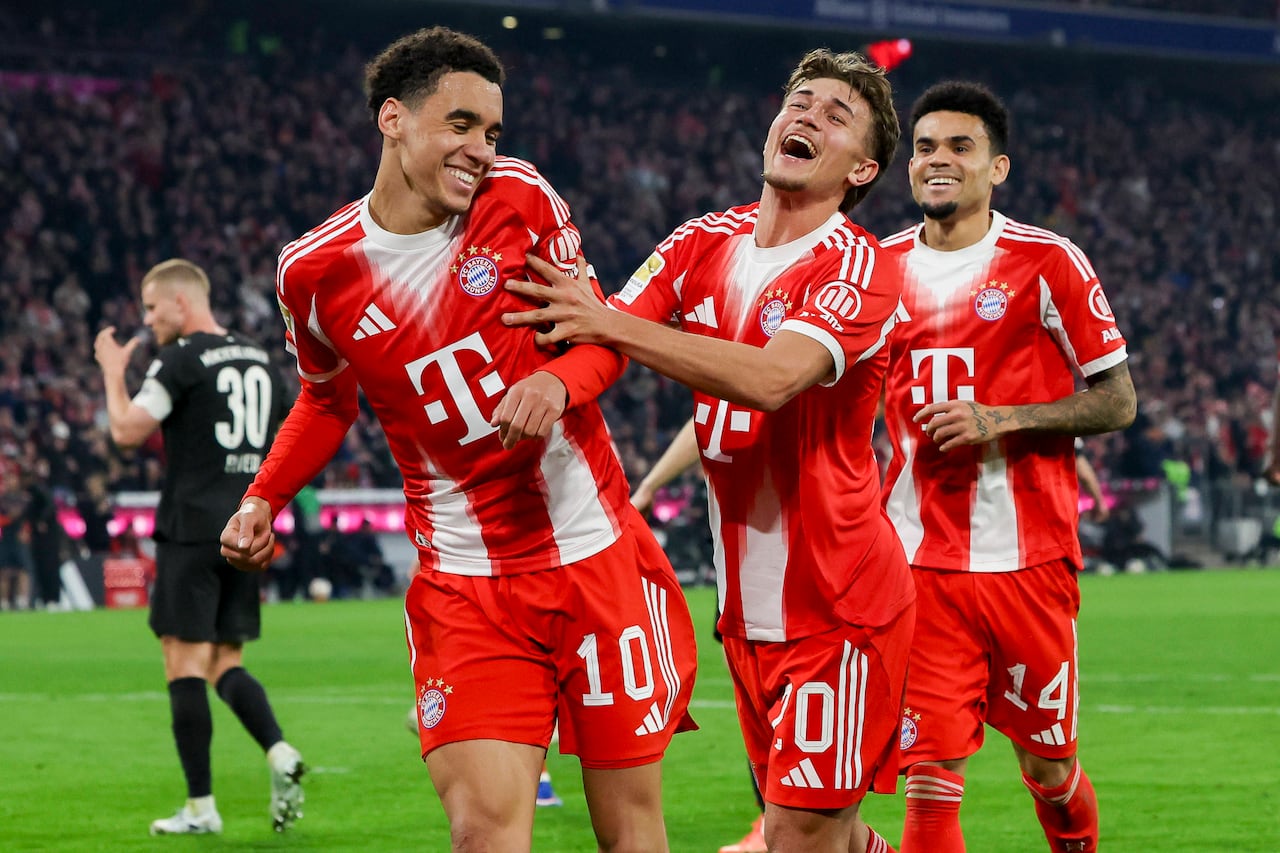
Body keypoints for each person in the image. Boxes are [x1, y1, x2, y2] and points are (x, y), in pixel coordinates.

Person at [218, 27, 697, 853]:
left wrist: (557, 380)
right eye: (462, 125)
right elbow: (327, 401)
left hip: (594, 556)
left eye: (493, 133)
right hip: (468, 585)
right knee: (483, 834)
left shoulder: (521, 199)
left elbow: (602, 335)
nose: (482, 150)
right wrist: (265, 494)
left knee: (631, 832)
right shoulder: (314, 273)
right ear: (394, 119)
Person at [502, 48, 912, 853]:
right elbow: (600, 335)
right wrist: (558, 385)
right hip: (745, 612)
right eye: (800, 101)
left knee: (794, 832)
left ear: (861, 168)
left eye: (836, 116)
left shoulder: (859, 265)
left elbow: (771, 378)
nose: (807, 118)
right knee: (823, 830)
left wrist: (607, 324)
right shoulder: (700, 242)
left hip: (840, 605)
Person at [877, 81, 1137, 853]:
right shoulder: (874, 268)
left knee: (1050, 767)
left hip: (1030, 562)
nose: (938, 161)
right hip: (919, 563)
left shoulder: (1047, 261)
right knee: (928, 780)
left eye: (960, 147)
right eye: (925, 147)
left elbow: (1117, 399)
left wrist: (1005, 418)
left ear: (999, 168)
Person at [94, 258, 302, 836]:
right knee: (225, 663)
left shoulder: (180, 358)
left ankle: (201, 809)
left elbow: (127, 431)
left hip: (191, 530)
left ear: (182, 303)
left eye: (153, 308)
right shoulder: (261, 358)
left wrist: (114, 372)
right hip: (246, 528)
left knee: (182, 664)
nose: (148, 320)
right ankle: (280, 752)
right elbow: (291, 428)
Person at [630, 425, 766, 853]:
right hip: (740, 553)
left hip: (782, 541)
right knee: (753, 692)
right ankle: (774, 821)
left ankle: (780, 823)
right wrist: (651, 485)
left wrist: (650, 486)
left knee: (778, 694)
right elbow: (708, 418)